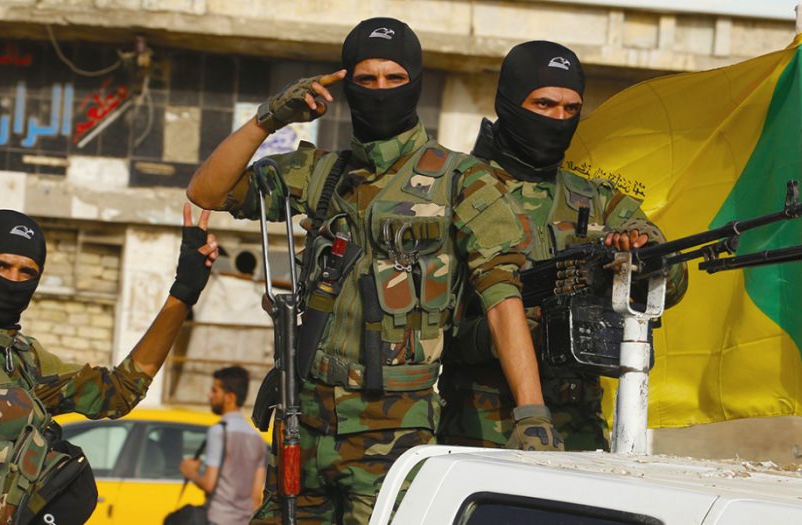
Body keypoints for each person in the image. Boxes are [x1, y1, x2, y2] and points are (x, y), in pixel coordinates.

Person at [187, 17, 558, 524]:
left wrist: (531, 413)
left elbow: (501, 296)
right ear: (348, 86)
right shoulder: (320, 173)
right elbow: (207, 192)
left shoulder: (462, 179)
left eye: (394, 78)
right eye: (366, 79)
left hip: (394, 433)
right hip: (304, 422)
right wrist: (268, 120)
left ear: (415, 83)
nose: (381, 90)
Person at [0, 205, 218, 524]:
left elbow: (119, 391)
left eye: (27, 271)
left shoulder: (25, 358)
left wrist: (182, 294)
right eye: (0, 266)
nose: (13, 280)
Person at [438, 41, 689, 451]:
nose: (558, 119)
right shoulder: (459, 187)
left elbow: (674, 281)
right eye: (544, 104)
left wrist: (643, 250)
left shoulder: (595, 199)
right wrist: (512, 330)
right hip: (480, 429)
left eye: (571, 109)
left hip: (580, 429)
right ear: (509, 103)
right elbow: (427, 318)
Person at [179, 366, 268, 525]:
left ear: (230, 397)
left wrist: (190, 472)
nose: (209, 395)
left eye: (215, 391)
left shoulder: (219, 431)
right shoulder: (257, 439)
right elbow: (256, 497)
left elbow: (210, 484)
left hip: (218, 518)